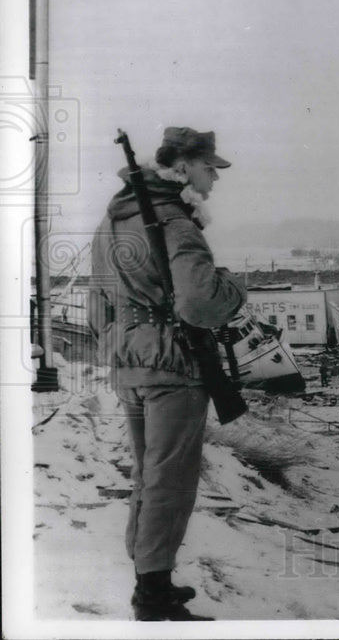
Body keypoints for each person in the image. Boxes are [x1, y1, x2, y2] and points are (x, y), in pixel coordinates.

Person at [89, 127, 246, 621]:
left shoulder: (112, 220)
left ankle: (150, 577)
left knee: (147, 474)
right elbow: (201, 303)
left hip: (129, 364)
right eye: (207, 169)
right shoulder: (175, 222)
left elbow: (97, 307)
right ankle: (152, 597)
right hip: (174, 365)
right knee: (171, 479)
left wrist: (121, 347)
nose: (213, 180)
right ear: (182, 168)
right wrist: (234, 287)